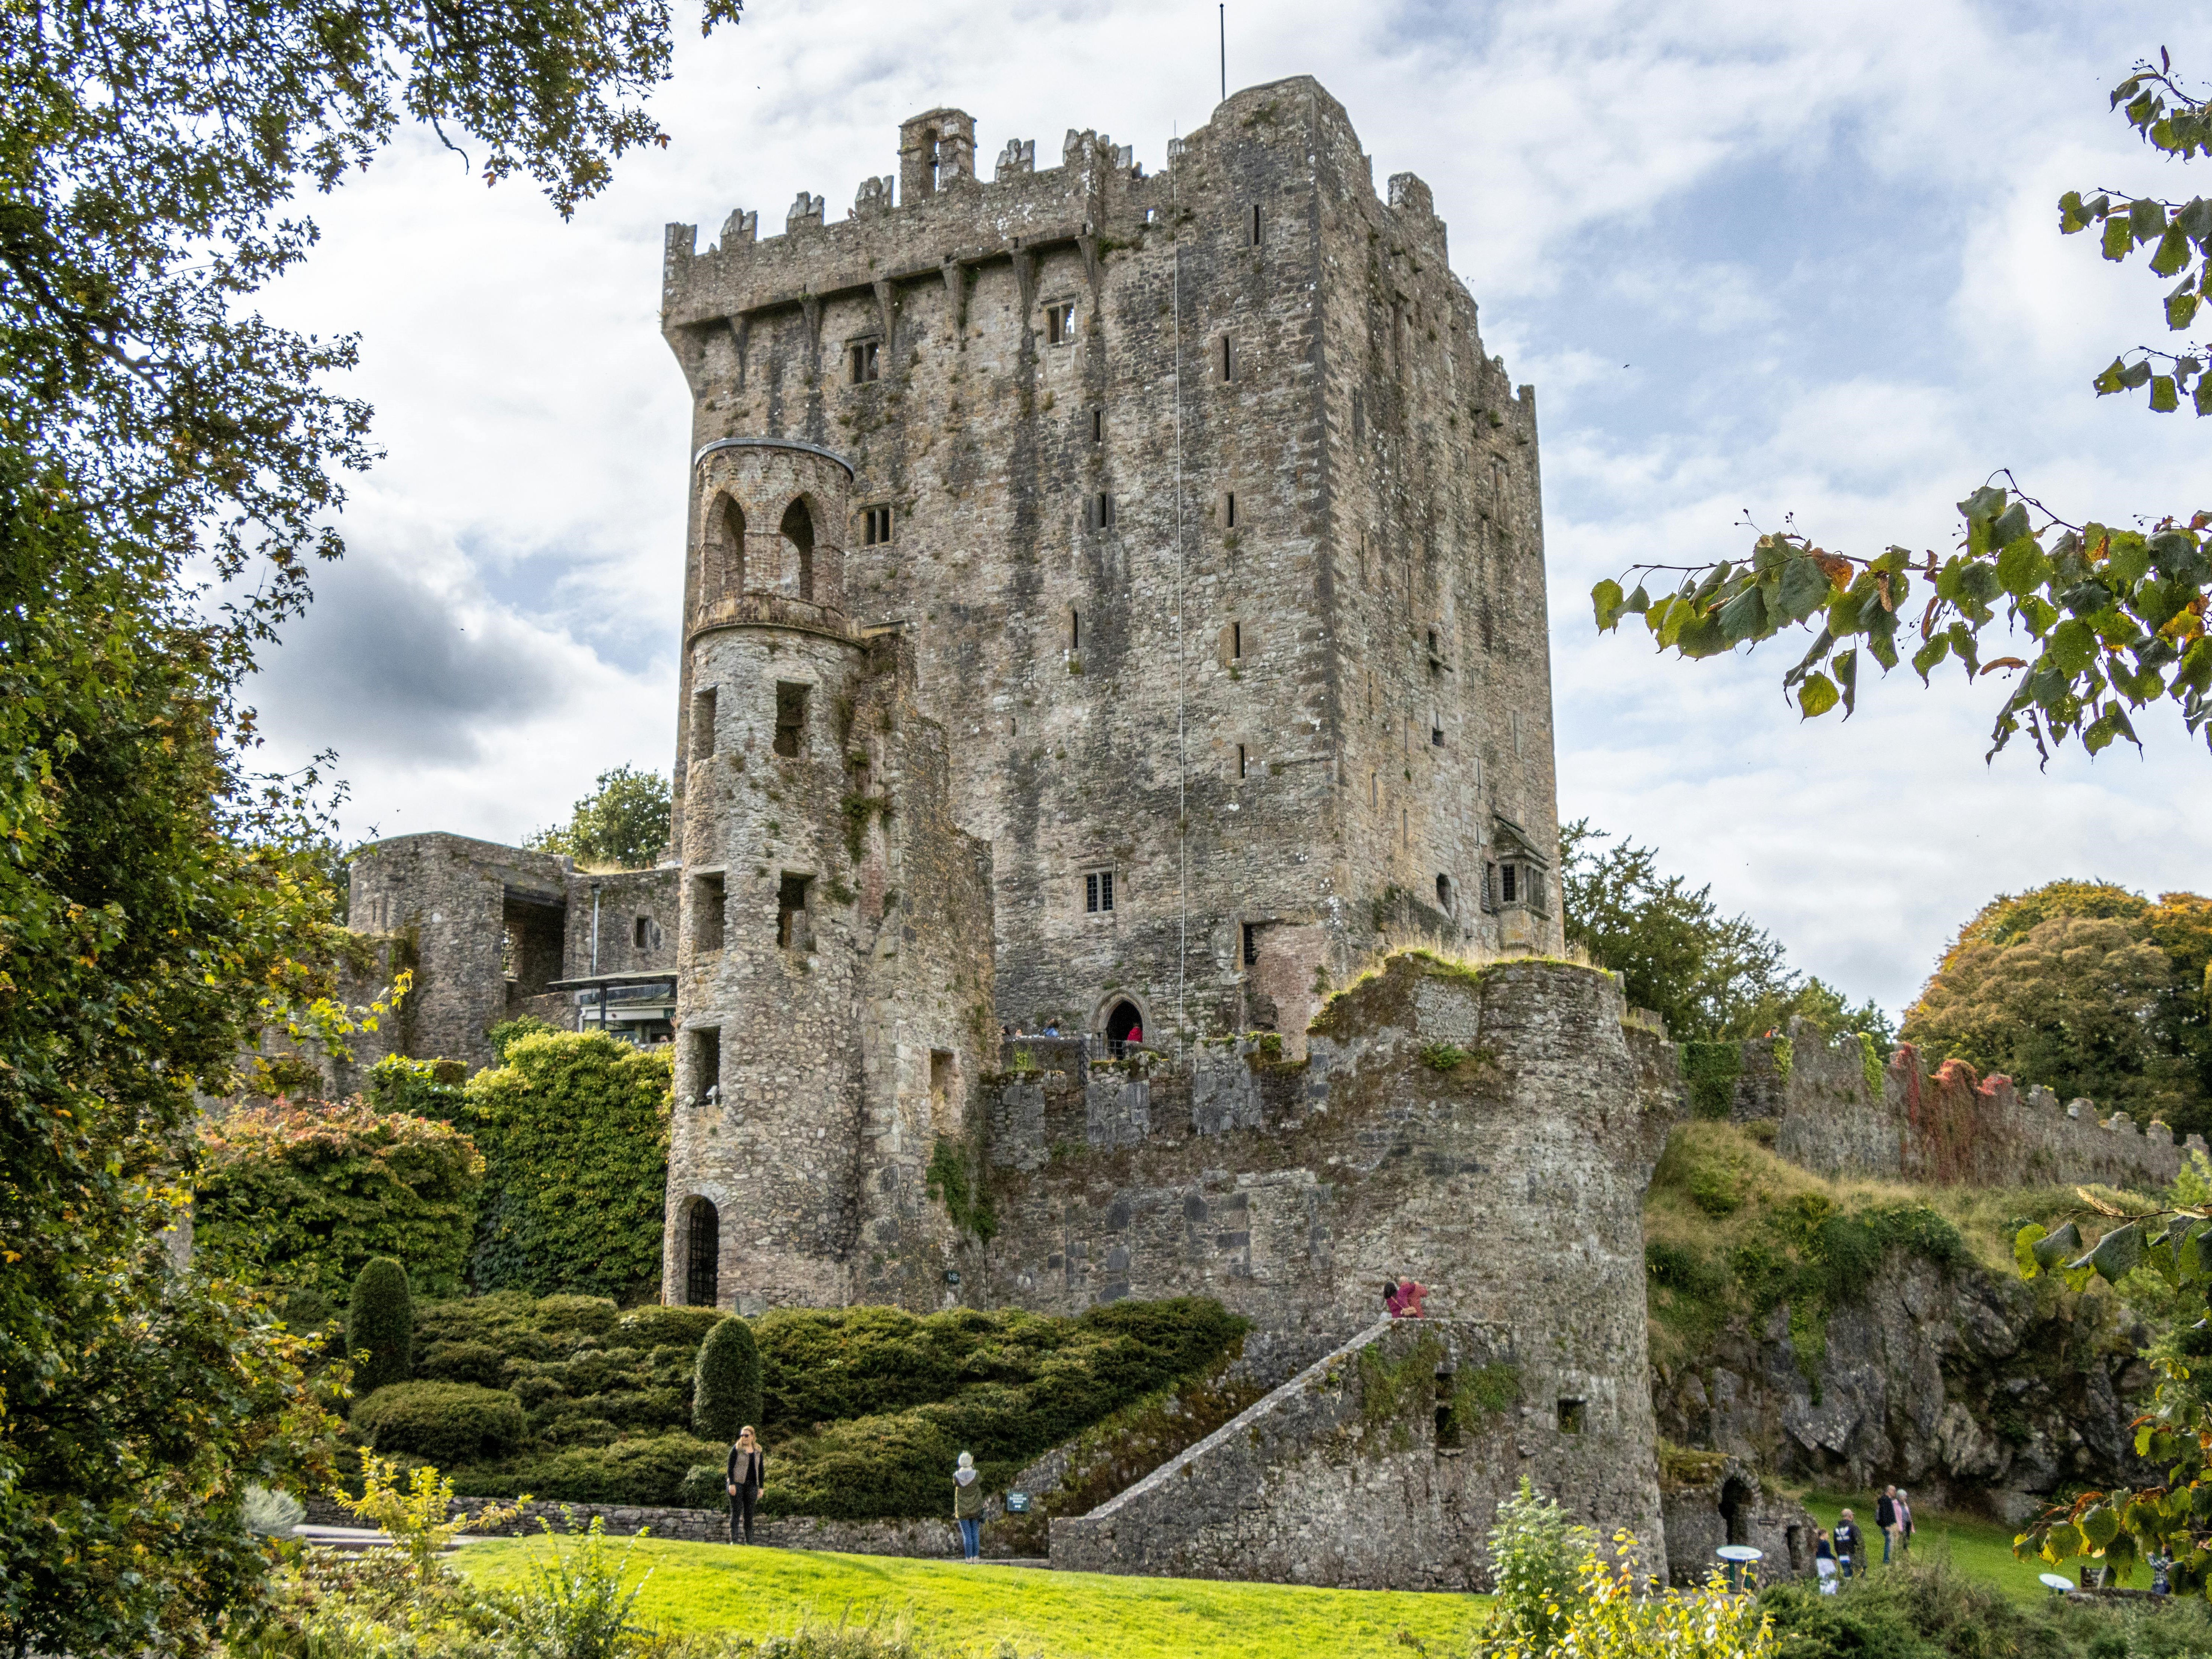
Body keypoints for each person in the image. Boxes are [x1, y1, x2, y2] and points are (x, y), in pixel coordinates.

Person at [725, 1425, 766, 1544]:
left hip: (752, 1485)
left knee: (749, 1514)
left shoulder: (758, 1451)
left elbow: (761, 1470)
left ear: (753, 1437)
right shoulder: (737, 1449)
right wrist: (732, 1484)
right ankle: (734, 1540)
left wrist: (762, 1487)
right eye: (742, 1435)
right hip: (737, 1483)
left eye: (746, 1435)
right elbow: (730, 1468)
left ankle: (750, 1542)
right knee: (736, 1511)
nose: (744, 1437)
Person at [953, 1450, 986, 1562]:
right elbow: (980, 1480)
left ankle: (969, 1558)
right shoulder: (976, 1475)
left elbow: (956, 1484)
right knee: (975, 1534)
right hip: (976, 1509)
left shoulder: (957, 1477)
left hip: (963, 1510)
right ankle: (976, 1557)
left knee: (967, 1535)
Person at [1833, 1508, 1862, 1580]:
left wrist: (1839, 1553)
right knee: (1857, 1574)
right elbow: (1859, 1541)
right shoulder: (1853, 1527)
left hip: (1842, 1554)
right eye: (1853, 1515)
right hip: (1852, 1554)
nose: (1853, 1517)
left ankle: (1847, 1588)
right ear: (1850, 1516)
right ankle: (1854, 1589)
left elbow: (1836, 1543)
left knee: (1847, 1573)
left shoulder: (1837, 1529)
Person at [1875, 1486, 1898, 1564]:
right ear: (1890, 1491)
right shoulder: (1885, 1500)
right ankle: (1887, 1560)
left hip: (1890, 1524)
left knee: (1890, 1542)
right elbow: (1884, 1513)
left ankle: (1889, 1559)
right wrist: (1886, 1525)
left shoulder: (1886, 1499)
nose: (1895, 1493)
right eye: (1894, 1491)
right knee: (1889, 1542)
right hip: (1887, 1526)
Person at [1896, 1490, 1914, 1558]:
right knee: (1899, 1540)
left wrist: (1911, 1523)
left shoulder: (1905, 1505)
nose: (1906, 1498)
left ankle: (1905, 1555)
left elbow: (1908, 1515)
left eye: (1906, 1496)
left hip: (1907, 1524)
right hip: (1900, 1525)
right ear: (1900, 1497)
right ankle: (1898, 1555)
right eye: (1904, 1496)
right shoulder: (1896, 1505)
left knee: (1906, 1540)